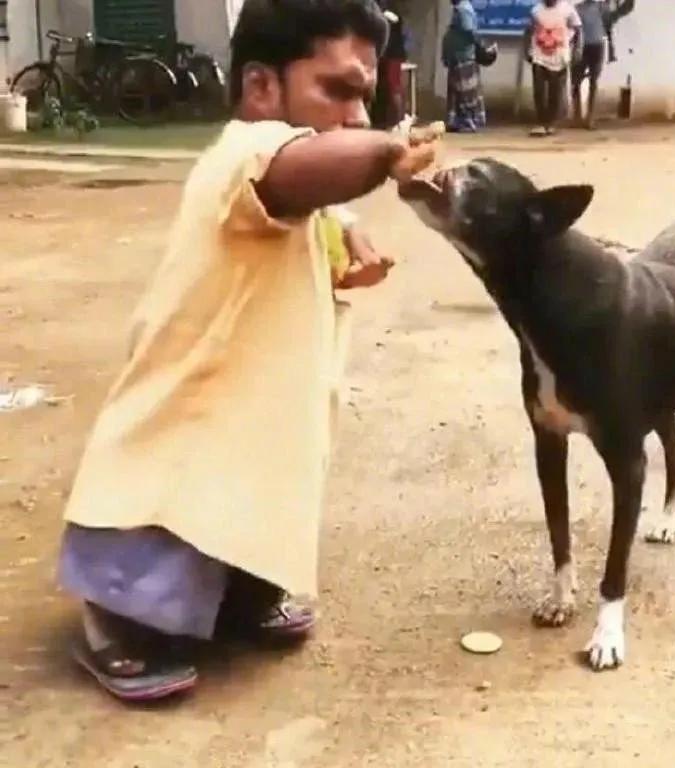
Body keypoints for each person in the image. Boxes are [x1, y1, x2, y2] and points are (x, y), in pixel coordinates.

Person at [57, 0, 440, 701]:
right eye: (339, 90)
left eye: (368, 97)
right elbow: (291, 173)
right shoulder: (242, 155)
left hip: (254, 423)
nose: (358, 116)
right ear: (263, 88)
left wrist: (345, 235)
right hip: (185, 427)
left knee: (258, 497)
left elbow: (309, 197)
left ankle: (234, 597)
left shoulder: (298, 180)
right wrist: (388, 151)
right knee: (166, 530)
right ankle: (117, 616)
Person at [572, 0, 635, 129]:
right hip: (581, 47)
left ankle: (590, 117)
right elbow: (573, 31)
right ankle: (577, 116)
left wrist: (611, 48)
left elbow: (609, 25)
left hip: (597, 46)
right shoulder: (577, 9)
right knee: (576, 81)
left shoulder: (601, 8)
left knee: (593, 81)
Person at [524, 0, 582, 137]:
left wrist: (577, 50)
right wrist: (526, 49)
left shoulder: (568, 10)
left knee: (554, 92)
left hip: (559, 57)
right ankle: (541, 122)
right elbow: (528, 30)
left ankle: (550, 123)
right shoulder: (536, 11)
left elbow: (578, 29)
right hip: (539, 56)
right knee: (539, 90)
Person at [442, 0, 486, 133]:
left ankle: (469, 121)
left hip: (463, 56)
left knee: (465, 91)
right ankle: (459, 121)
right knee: (459, 90)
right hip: (458, 56)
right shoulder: (460, 9)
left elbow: (469, 31)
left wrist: (480, 47)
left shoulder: (463, 10)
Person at [371, 2, 408, 129]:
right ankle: (381, 121)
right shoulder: (379, 9)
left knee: (393, 87)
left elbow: (393, 22)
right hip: (382, 54)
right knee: (381, 87)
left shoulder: (389, 11)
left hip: (392, 54)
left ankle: (397, 122)